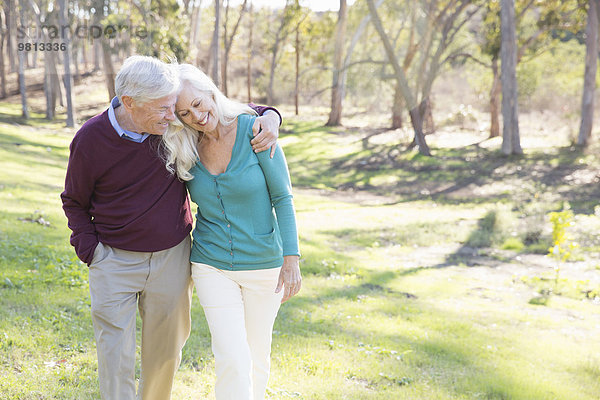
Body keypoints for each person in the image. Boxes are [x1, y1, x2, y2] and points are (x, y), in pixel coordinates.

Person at [60, 55, 282, 400]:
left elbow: (219, 109)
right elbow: (74, 200)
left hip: (171, 260)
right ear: (130, 103)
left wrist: (270, 114)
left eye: (173, 108)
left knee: (164, 357)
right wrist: (92, 252)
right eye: (164, 109)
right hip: (114, 261)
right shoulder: (91, 139)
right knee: (115, 356)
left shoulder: (173, 128)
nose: (172, 116)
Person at [161, 63, 301, 400]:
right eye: (184, 112)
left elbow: (282, 197)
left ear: (210, 92)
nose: (195, 115)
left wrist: (291, 258)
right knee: (231, 357)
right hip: (211, 264)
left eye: (197, 104)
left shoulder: (256, 130)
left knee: (256, 356)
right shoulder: (185, 147)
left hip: (264, 265)